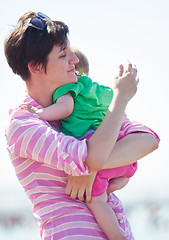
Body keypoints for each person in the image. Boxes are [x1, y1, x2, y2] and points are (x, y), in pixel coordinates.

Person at [4, 11, 159, 240]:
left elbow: (148, 140)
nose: (74, 60)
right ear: (36, 68)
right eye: (63, 54)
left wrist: (92, 169)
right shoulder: (23, 124)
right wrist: (120, 98)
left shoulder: (81, 107)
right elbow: (89, 159)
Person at [22, 47, 144, 239]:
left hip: (95, 152)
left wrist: (39, 113)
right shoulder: (103, 93)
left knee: (97, 202)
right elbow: (135, 132)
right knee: (106, 189)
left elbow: (65, 108)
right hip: (121, 157)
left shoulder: (69, 89)